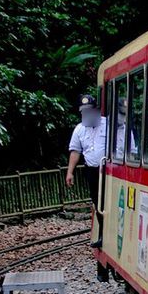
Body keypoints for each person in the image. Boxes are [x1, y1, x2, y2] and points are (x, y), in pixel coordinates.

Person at [66, 94, 107, 248]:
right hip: (92, 170)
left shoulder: (108, 124)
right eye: (84, 112)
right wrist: (70, 172)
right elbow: (75, 151)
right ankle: (102, 234)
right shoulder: (79, 129)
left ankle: (106, 233)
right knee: (97, 203)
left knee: (107, 202)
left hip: (109, 171)